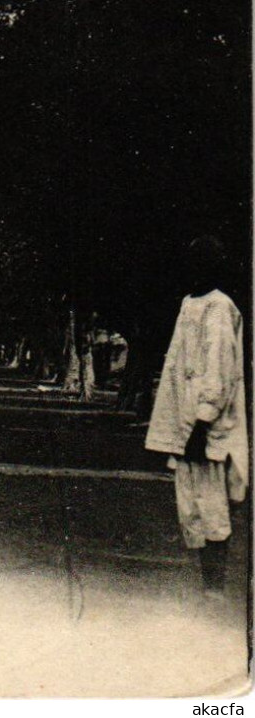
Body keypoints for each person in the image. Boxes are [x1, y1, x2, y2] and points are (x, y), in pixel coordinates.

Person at [145, 236, 247, 598]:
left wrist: (202, 423)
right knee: (190, 507)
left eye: (197, 263)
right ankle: (204, 586)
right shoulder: (189, 303)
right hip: (185, 422)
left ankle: (214, 588)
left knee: (211, 505)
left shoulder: (220, 307)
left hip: (208, 427)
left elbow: (219, 370)